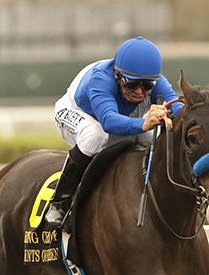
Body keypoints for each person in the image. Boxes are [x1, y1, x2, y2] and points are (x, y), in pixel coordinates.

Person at [47, 36, 184, 227]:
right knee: (95, 136)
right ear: (117, 76)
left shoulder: (157, 82)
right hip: (80, 113)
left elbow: (179, 111)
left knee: (155, 138)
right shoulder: (101, 79)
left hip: (116, 117)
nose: (139, 91)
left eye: (146, 86)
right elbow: (109, 122)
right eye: (132, 83)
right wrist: (144, 124)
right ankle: (59, 202)